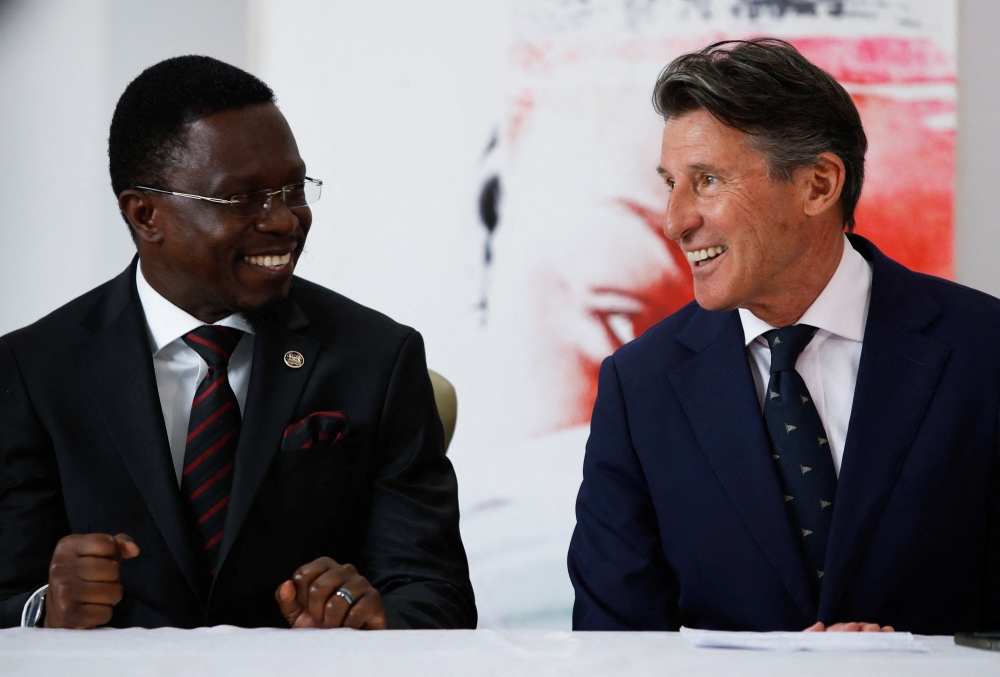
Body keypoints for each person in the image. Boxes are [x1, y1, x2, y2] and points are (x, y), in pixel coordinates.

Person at [0, 55, 476, 630]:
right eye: (243, 198)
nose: (283, 221)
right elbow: (9, 590)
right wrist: (44, 610)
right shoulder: (33, 371)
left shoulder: (377, 357)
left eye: (293, 189)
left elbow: (435, 592)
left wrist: (374, 620)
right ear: (146, 214)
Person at [568, 38, 1000, 634]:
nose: (676, 220)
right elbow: (611, 642)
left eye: (709, 180)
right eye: (671, 181)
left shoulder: (985, 350)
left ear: (818, 185)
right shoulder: (639, 385)